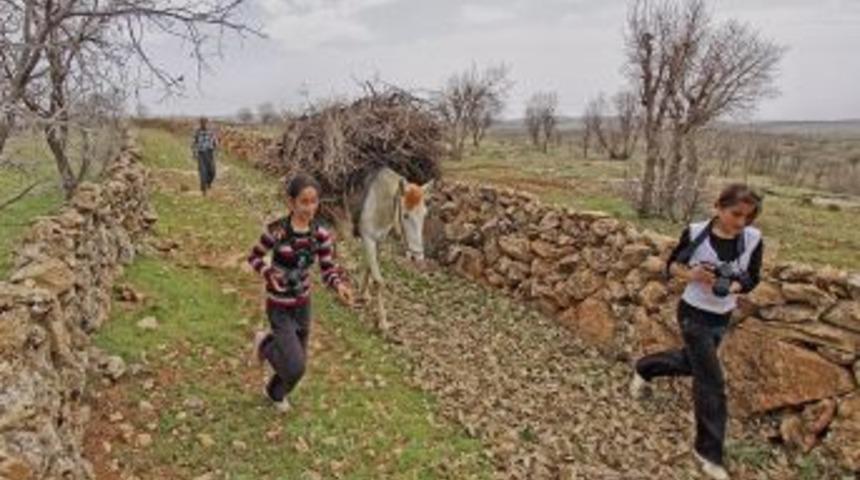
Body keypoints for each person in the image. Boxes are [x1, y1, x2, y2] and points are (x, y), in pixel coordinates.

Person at [630, 184, 764, 480]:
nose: (741, 222)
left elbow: (753, 276)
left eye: (748, 216)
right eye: (735, 213)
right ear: (718, 206)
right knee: (712, 383)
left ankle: (644, 368)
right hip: (693, 313)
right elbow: (672, 266)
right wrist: (692, 274)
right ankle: (708, 453)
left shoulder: (753, 239)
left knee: (693, 363)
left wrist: (735, 286)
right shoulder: (695, 232)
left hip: (722, 314)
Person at [247, 173, 354, 413]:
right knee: (296, 366)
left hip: (303, 306)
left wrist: (339, 286)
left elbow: (328, 269)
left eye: (313, 201)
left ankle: (274, 393)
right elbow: (254, 257)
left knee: (297, 364)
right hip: (278, 306)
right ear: (291, 202)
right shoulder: (276, 231)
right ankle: (265, 344)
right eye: (303, 202)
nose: (309, 208)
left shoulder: (321, 235)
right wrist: (267, 273)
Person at [191, 117, 218, 195]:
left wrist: (216, 149)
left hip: (210, 153)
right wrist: (194, 153)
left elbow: (215, 141)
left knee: (212, 171)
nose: (204, 124)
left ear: (207, 123)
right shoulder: (197, 132)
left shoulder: (211, 132)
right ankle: (203, 189)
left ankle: (208, 183)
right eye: (202, 123)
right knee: (203, 171)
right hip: (201, 153)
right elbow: (193, 143)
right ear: (200, 124)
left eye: (205, 123)